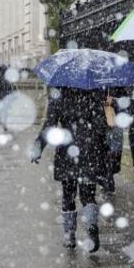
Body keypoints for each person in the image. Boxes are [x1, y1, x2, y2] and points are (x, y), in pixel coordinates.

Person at [30, 88, 107, 253]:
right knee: (88, 194)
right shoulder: (93, 93)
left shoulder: (58, 95)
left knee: (68, 194)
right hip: (90, 149)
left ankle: (69, 235)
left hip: (67, 150)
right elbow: (101, 126)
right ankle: (91, 225)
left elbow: (49, 125)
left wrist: (38, 147)